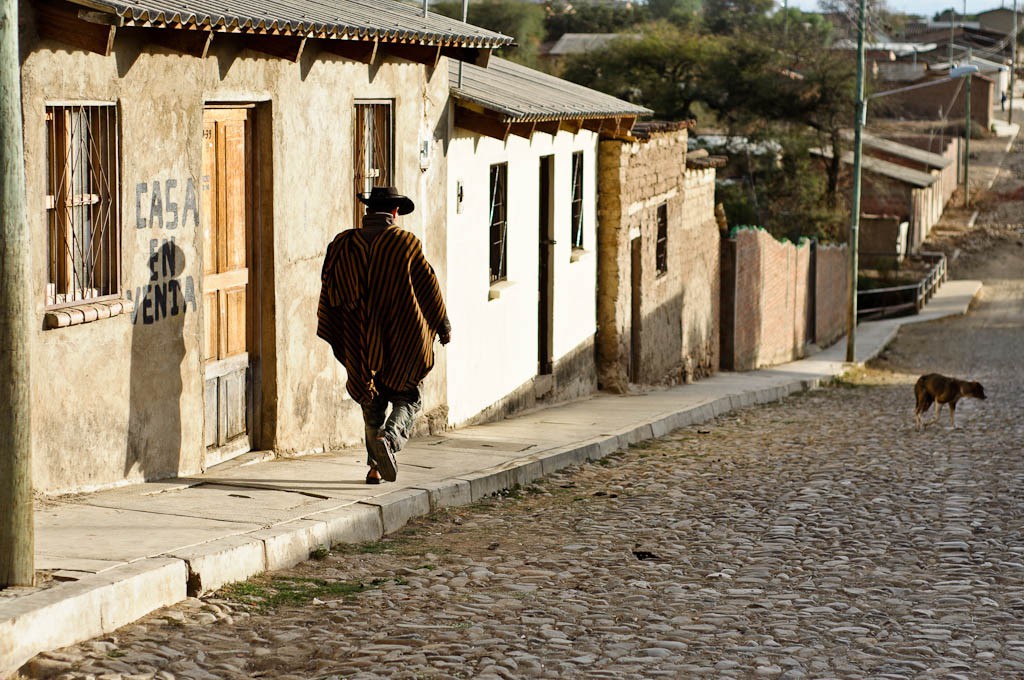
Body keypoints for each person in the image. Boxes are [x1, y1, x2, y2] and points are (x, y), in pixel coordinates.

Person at [317, 186, 451, 484]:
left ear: (368, 211)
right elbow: (428, 286)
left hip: (358, 337)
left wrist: (347, 324)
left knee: (371, 401)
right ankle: (389, 441)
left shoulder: (342, 243)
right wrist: (442, 325)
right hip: (400, 337)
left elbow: (328, 285)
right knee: (408, 397)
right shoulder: (405, 243)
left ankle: (375, 467)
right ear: (394, 212)